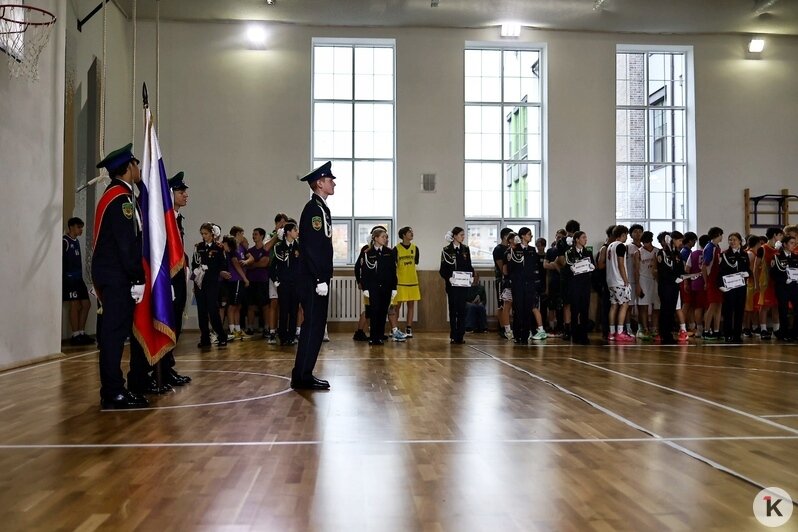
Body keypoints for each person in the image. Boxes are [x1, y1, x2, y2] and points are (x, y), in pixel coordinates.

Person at [91, 144, 148, 409]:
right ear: (128, 168)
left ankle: (115, 388)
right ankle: (113, 391)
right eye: (136, 164)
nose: (138, 169)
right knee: (114, 337)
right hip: (117, 277)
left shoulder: (116, 194)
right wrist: (137, 277)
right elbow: (127, 244)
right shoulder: (121, 199)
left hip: (112, 275)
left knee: (114, 335)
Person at [291, 161, 335, 390]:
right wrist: (320, 279)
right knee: (313, 326)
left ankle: (303, 373)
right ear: (319, 183)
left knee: (316, 326)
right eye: (330, 180)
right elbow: (312, 248)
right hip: (312, 279)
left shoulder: (321, 208)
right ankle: (302, 376)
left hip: (316, 277)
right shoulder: (313, 210)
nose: (333, 183)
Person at [158, 172, 191, 387]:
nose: (186, 195)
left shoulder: (177, 219)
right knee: (168, 323)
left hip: (178, 277)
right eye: (181, 192)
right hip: (169, 279)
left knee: (176, 323)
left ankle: (168, 367)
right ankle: (161, 369)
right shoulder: (165, 219)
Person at [505, 227, 547, 343]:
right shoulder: (513, 249)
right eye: (529, 234)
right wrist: (514, 248)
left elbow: (535, 266)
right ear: (522, 236)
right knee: (518, 309)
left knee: (528, 308)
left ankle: (525, 334)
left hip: (530, 284)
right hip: (518, 283)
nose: (531, 237)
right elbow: (510, 267)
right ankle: (517, 334)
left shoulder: (532, 250)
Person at [360, 228, 400, 345]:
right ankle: (373, 337)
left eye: (386, 237)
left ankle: (380, 336)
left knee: (383, 312)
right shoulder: (368, 253)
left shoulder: (390, 252)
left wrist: (394, 288)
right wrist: (365, 288)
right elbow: (365, 272)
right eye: (383, 237)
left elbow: (393, 271)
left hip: (386, 287)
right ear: (376, 238)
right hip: (373, 287)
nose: (385, 239)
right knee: (374, 311)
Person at [193, 223, 229, 348]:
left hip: (212, 283)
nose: (204, 236)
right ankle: (205, 338)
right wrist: (196, 273)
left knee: (213, 311)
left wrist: (212, 269)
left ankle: (221, 335)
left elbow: (223, 265)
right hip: (200, 283)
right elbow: (194, 264)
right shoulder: (198, 247)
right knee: (201, 312)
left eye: (206, 234)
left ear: (212, 234)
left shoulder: (218, 248)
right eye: (202, 234)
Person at [439, 226, 474, 344]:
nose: (463, 237)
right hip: (452, 285)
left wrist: (471, 276)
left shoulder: (465, 249)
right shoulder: (446, 250)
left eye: (464, 235)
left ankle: (461, 335)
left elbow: (469, 266)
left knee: (462, 310)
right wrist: (449, 278)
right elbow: (442, 269)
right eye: (461, 235)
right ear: (454, 236)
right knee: (453, 310)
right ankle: (454, 335)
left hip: (463, 285)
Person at [63, 217, 93, 345]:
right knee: (74, 305)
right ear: (71, 227)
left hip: (79, 279)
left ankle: (81, 332)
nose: (81, 230)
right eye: (78, 227)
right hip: (69, 279)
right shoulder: (65, 241)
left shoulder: (76, 242)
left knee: (86, 304)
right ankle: (75, 335)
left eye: (81, 227)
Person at [271, 222, 300, 345]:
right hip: (283, 283)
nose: (297, 232)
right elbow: (273, 266)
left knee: (294, 310)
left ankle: (292, 335)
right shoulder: (279, 247)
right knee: (284, 310)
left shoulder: (299, 247)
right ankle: (282, 335)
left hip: (296, 284)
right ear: (288, 232)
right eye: (295, 230)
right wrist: (276, 280)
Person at [564, 231, 595, 345]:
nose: (585, 239)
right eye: (583, 237)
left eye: (586, 237)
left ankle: (584, 335)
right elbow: (569, 267)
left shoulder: (588, 252)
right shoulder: (570, 252)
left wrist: (590, 267)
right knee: (575, 310)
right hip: (574, 285)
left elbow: (592, 265)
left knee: (584, 310)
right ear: (577, 239)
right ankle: (574, 334)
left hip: (585, 285)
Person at [718, 232, 750, 343]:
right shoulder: (725, 254)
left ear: (740, 241)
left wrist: (747, 273)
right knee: (728, 311)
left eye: (734, 239)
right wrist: (720, 285)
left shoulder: (744, 254)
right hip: (729, 287)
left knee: (739, 310)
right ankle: (728, 334)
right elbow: (720, 271)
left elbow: (748, 268)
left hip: (741, 286)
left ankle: (737, 334)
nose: (732, 242)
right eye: (730, 239)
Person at [656, 231, 686, 345]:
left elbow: (680, 269)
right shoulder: (662, 253)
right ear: (672, 240)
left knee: (672, 309)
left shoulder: (677, 253)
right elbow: (663, 270)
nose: (680, 243)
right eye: (679, 240)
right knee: (666, 310)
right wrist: (673, 278)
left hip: (675, 286)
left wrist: (686, 275)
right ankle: (664, 334)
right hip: (666, 285)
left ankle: (668, 333)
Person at [606, 225, 635, 343]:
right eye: (626, 235)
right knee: (624, 305)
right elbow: (621, 264)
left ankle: (612, 332)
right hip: (619, 281)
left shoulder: (610, 246)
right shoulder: (621, 246)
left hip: (610, 280)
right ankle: (619, 332)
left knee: (613, 306)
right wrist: (626, 280)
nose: (626, 237)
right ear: (622, 234)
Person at [754, 227, 784, 339]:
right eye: (780, 235)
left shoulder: (780, 249)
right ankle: (763, 329)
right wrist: (756, 284)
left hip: (777, 282)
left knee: (776, 305)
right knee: (764, 306)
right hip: (765, 282)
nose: (782, 237)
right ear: (775, 235)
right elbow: (755, 268)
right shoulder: (763, 249)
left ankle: (776, 329)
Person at [393, 226, 421, 338]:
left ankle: (408, 328)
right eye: (409, 232)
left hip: (412, 281)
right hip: (400, 282)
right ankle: (395, 328)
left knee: (411, 306)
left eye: (412, 232)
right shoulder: (396, 249)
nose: (412, 233)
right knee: (397, 306)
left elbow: (416, 262)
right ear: (404, 235)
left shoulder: (415, 248)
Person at [770, 235, 798, 341]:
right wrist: (784, 280)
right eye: (791, 243)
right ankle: (784, 332)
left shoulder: (796, 257)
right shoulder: (777, 257)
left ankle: (795, 332)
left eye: (795, 243)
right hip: (782, 288)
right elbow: (773, 274)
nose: (793, 245)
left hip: (794, 287)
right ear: (785, 244)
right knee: (783, 310)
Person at [245, 227, 271, 338]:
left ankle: (266, 327)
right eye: (253, 234)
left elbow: (264, 263)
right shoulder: (249, 251)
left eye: (256, 234)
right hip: (251, 281)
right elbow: (247, 265)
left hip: (262, 281)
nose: (253, 236)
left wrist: (253, 264)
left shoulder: (265, 251)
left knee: (265, 305)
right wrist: (255, 263)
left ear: (261, 236)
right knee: (251, 305)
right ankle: (250, 327)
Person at [701, 226, 724, 340]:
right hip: (712, 280)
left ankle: (716, 330)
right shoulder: (710, 248)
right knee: (712, 305)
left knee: (719, 305)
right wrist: (706, 281)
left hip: (718, 280)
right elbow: (704, 266)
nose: (722, 237)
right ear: (718, 235)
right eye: (721, 235)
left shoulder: (717, 247)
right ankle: (706, 331)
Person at [493, 228, 513, 340]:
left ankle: (508, 327)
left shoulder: (512, 249)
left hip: (512, 281)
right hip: (501, 280)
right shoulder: (498, 249)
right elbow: (501, 267)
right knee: (502, 304)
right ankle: (502, 328)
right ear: (506, 237)